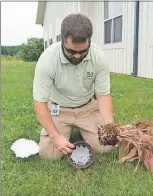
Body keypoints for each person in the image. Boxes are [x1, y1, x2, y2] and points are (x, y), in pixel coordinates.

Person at [33, 13, 116, 159]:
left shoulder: (99, 57)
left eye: (83, 51)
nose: (77, 56)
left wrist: (110, 125)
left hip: (87, 107)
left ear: (89, 41)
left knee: (106, 147)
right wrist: (55, 136)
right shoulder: (48, 59)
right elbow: (40, 103)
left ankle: (84, 130)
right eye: (71, 51)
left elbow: (103, 96)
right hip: (59, 109)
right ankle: (63, 131)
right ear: (61, 39)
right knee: (49, 155)